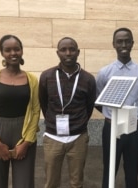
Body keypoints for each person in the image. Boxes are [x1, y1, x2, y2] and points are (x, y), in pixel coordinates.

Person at [0, 34, 40, 188]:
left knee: (24, 183)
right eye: (8, 50)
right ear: (2, 53)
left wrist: (26, 143)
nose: (13, 53)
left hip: (23, 134)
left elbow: (35, 112)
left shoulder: (31, 79)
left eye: (16, 49)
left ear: (22, 51)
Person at [96, 27, 138, 188]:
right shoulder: (104, 72)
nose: (124, 44)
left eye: (127, 40)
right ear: (113, 44)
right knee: (109, 171)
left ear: (132, 43)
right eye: (119, 41)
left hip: (134, 130)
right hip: (111, 129)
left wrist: (131, 116)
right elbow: (99, 101)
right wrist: (113, 115)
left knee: (132, 172)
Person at [39, 37, 96, 188]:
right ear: (58, 53)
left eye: (72, 49)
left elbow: (89, 107)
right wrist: (52, 121)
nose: (68, 53)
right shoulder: (46, 76)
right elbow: (44, 103)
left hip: (78, 138)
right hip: (52, 138)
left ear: (78, 52)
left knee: (76, 183)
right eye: (63, 50)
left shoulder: (88, 79)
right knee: (51, 182)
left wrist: (79, 123)